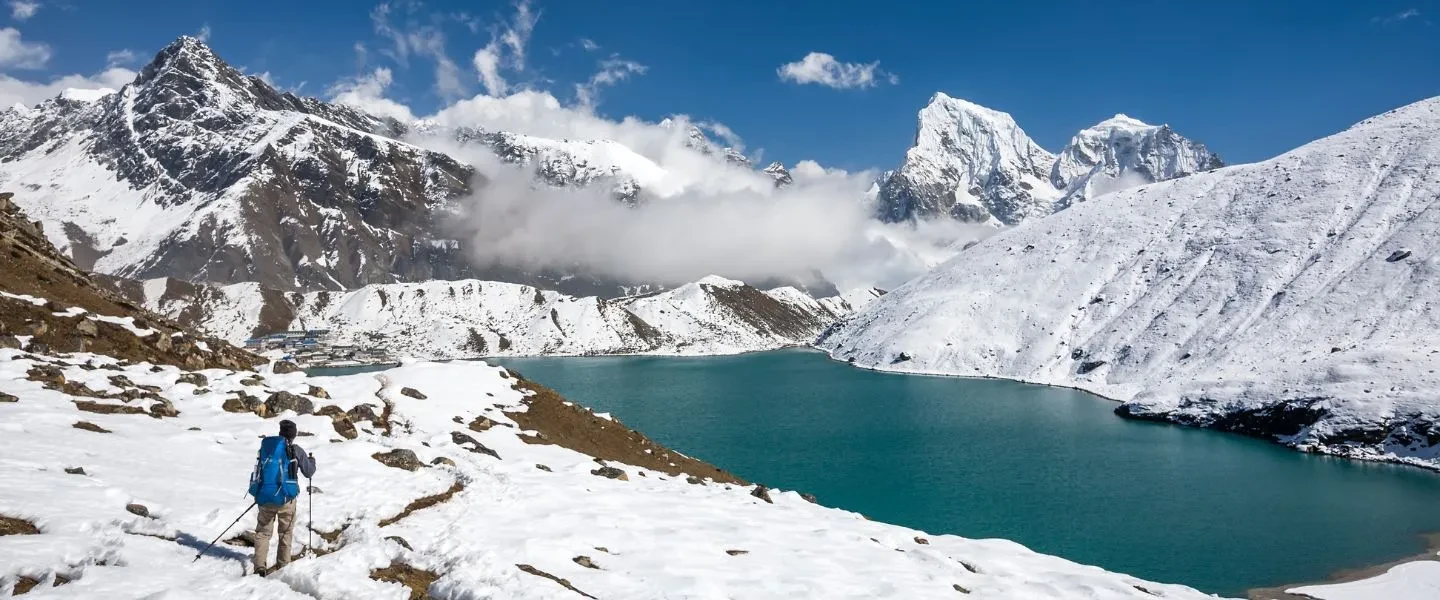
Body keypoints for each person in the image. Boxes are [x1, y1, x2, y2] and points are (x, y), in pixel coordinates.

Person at [251, 419, 316, 576]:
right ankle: (283, 568)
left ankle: (259, 568)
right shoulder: (295, 450)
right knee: (285, 533)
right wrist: (312, 461)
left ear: (280, 432)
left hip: (266, 497)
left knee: (263, 532)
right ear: (294, 434)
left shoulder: (268, 448)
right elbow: (309, 472)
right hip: (286, 498)